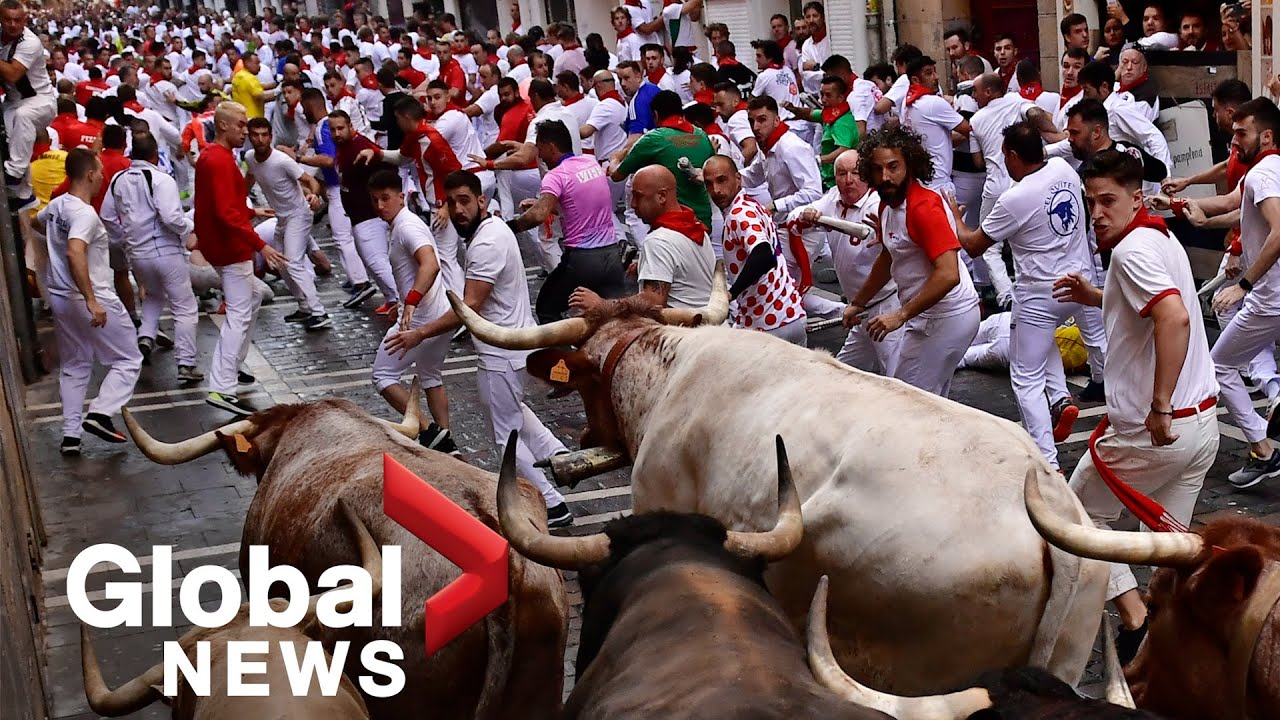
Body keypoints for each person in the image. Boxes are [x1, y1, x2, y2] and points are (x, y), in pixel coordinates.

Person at [1052, 149, 1219, 666]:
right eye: (1090, 203)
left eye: (1108, 201)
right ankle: (1175, 639)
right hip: (1202, 430)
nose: (1097, 213)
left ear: (1137, 198)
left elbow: (1173, 318)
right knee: (1166, 548)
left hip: (1155, 435)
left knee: (1075, 519)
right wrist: (1093, 295)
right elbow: (1144, 310)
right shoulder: (1156, 237)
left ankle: (1135, 619)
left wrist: (1161, 404)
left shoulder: (1130, 252)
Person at [385, 171, 574, 527]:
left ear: (481, 201)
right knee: (513, 412)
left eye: (464, 201)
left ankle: (552, 504)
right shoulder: (494, 229)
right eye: (450, 202)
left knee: (505, 435)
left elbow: (469, 306)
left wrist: (420, 333)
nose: (457, 210)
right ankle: (556, 453)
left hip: (501, 353)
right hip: (515, 347)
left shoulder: (485, 243)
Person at [949, 121, 1108, 468]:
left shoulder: (1015, 198)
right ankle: (1064, 399)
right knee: (1065, 343)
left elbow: (974, 246)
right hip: (1079, 282)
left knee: (1025, 377)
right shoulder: (1064, 169)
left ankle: (1048, 461)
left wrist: (956, 219)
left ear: (1012, 156)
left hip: (1039, 292)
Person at [1184, 98, 1280, 487]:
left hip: (1270, 298)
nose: (1234, 140)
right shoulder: (1264, 171)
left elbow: (1279, 231)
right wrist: (1182, 205)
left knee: (1219, 364)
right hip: (1270, 296)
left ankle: (1263, 449)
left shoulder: (1265, 175)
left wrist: (1242, 285)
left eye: (1243, 133)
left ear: (1267, 135)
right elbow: (1235, 207)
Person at [847, 124, 980, 397]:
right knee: (928, 403)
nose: (885, 176)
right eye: (877, 169)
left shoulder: (922, 207)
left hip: (947, 317)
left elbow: (949, 274)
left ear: (910, 164)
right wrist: (858, 302)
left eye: (893, 167)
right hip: (931, 316)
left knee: (907, 401)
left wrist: (900, 315)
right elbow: (888, 257)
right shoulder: (888, 203)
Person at [33, 147, 142, 453]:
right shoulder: (84, 214)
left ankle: (70, 436)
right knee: (128, 359)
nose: (103, 177)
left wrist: (53, 249)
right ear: (90, 174)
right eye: (100, 172)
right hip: (91, 298)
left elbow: (34, 222)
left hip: (61, 299)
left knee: (75, 364)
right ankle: (100, 413)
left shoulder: (56, 206)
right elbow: (74, 250)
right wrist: (92, 299)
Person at [194, 102, 287, 416]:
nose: (245, 131)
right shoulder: (219, 160)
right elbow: (226, 212)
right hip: (231, 249)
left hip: (220, 247)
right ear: (223, 126)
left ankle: (233, 365)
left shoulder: (211, 156)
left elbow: (223, 204)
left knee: (254, 298)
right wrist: (261, 244)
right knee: (238, 315)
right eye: (240, 125)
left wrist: (254, 212)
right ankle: (222, 387)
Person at [365, 169, 460, 456]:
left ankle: (429, 432)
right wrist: (405, 298)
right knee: (431, 375)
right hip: (439, 313)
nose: (380, 206)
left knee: (382, 376)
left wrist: (411, 302)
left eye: (385, 198)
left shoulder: (407, 226)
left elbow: (430, 265)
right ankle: (446, 443)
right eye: (374, 200)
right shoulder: (403, 224)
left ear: (401, 196)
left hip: (420, 319)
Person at [99, 132, 203, 382]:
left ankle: (145, 337)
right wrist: (188, 230)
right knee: (185, 307)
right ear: (156, 155)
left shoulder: (118, 179)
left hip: (137, 253)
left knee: (154, 296)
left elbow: (107, 215)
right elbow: (170, 217)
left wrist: (124, 238)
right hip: (164, 251)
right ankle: (186, 363)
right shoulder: (161, 179)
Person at [792, 149, 903, 374]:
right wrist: (807, 213)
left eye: (855, 173)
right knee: (841, 374)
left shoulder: (879, 206)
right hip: (859, 309)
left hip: (886, 305)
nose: (848, 180)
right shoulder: (833, 197)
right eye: (842, 174)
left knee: (897, 377)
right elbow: (794, 215)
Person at [509, 119, 625, 323]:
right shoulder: (591, 164)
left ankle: (565, 356)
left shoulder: (556, 175)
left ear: (551, 147)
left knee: (547, 308)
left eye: (540, 148)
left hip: (583, 259)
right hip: (612, 256)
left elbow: (538, 216)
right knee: (615, 317)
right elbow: (578, 204)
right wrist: (540, 202)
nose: (540, 156)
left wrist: (508, 228)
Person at [574, 165, 714, 312]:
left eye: (638, 196)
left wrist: (603, 305)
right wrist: (648, 265)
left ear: (662, 196)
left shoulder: (658, 241)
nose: (633, 204)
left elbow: (652, 302)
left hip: (684, 331)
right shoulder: (694, 224)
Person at [703, 155, 807, 344]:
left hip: (768, 327)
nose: (716, 190)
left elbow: (764, 255)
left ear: (738, 179)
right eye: (709, 184)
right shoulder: (752, 205)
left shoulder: (739, 215)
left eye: (722, 180)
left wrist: (730, 293)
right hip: (791, 316)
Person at [243, 117, 332, 330]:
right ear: (250, 137)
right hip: (282, 218)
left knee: (293, 261)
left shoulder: (282, 160)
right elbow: (249, 178)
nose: (261, 139)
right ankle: (303, 306)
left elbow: (309, 180)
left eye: (265, 135)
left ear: (271, 137)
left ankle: (319, 312)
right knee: (280, 264)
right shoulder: (250, 157)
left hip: (299, 215)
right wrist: (239, 201)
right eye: (256, 135)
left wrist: (313, 196)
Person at [299, 87, 374, 306]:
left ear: (311, 104)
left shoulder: (324, 126)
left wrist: (299, 158)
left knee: (343, 237)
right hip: (339, 186)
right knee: (347, 236)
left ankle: (361, 282)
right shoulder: (325, 125)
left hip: (338, 187)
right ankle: (355, 278)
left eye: (304, 107)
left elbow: (329, 159)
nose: (303, 113)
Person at [610, 89, 715, 232]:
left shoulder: (654, 138)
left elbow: (616, 175)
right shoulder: (702, 135)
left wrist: (615, 159)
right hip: (704, 221)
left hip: (673, 224)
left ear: (656, 114)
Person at [1, 0, 58, 206]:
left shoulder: (30, 42)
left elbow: (14, 74)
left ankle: (14, 173)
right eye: (7, 20)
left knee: (24, 116)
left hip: (40, 101)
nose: (12, 25)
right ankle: (24, 195)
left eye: (17, 20)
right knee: (11, 140)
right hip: (12, 102)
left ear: (25, 20)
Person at [900, 55, 972, 196]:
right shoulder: (933, 103)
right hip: (939, 182)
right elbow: (967, 129)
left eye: (935, 71)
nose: (936, 77)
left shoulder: (905, 103)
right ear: (915, 80)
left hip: (918, 180)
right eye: (929, 73)